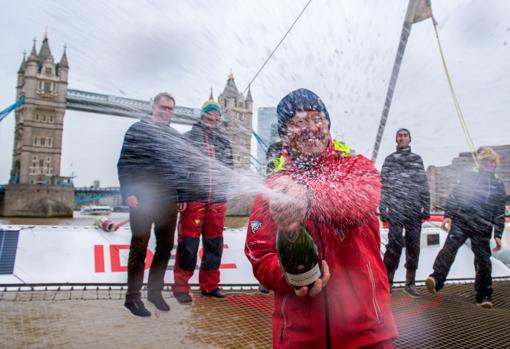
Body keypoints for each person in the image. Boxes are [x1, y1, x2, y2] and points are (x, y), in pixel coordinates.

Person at [245, 88, 398, 349]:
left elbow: (360, 202)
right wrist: (291, 276)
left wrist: (308, 198)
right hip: (299, 339)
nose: (310, 128)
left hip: (368, 332)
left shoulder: (356, 166)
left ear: (328, 125)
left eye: (318, 119)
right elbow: (260, 254)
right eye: (298, 122)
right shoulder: (272, 187)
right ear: (284, 134)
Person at [117, 92, 183, 317]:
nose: (166, 112)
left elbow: (180, 170)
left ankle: (155, 292)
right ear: (153, 107)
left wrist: (181, 195)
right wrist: (128, 193)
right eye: (163, 107)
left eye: (170, 109)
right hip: (142, 199)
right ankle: (132, 298)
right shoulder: (137, 130)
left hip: (168, 200)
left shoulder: (175, 136)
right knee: (139, 247)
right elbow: (124, 163)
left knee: (165, 248)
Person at [426, 147, 506, 308]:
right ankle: (436, 279)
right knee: (449, 250)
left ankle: (484, 296)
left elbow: (499, 210)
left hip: (483, 227)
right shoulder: (469, 177)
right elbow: (455, 196)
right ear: (481, 162)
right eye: (486, 161)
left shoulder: (497, 185)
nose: (489, 164)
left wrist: (498, 233)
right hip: (462, 221)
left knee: (483, 261)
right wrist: (448, 215)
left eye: (492, 161)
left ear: (495, 164)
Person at [172, 98, 234, 304]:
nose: (213, 116)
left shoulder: (224, 142)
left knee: (214, 245)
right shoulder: (188, 138)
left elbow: (229, 169)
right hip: (194, 200)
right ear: (202, 115)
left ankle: (210, 286)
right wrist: (181, 194)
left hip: (217, 201)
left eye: (216, 113)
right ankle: (181, 287)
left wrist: (224, 192)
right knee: (188, 245)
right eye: (209, 112)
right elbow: (179, 168)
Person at [379, 128, 430, 297]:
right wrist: (383, 209)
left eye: (405, 135)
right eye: (399, 135)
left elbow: (423, 183)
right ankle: (388, 281)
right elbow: (383, 186)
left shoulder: (417, 159)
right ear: (396, 140)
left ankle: (410, 283)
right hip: (396, 207)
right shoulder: (390, 160)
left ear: (409, 139)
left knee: (414, 245)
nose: (402, 138)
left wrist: (426, 206)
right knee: (394, 244)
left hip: (414, 208)